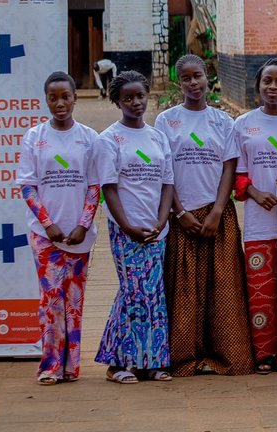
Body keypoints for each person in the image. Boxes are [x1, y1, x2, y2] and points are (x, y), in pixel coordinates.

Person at [156, 54, 253, 376]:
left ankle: (221, 356)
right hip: (181, 214)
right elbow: (164, 171)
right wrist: (180, 211)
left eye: (198, 76)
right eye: (186, 78)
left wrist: (217, 210)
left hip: (218, 215)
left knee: (222, 287)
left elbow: (229, 167)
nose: (194, 83)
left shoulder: (223, 122)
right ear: (178, 82)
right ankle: (185, 357)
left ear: (207, 78)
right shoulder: (166, 121)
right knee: (184, 288)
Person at [17, 71, 100, 385]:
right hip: (45, 237)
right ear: (46, 100)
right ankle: (51, 365)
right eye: (54, 97)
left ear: (75, 98)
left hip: (79, 236)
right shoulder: (34, 137)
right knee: (51, 301)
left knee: (74, 302)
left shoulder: (89, 138)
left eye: (66, 96)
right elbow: (27, 186)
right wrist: (48, 224)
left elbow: (95, 187)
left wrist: (82, 225)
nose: (60, 103)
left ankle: (71, 367)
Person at [94, 70, 174, 384]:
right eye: (128, 98)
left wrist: (162, 219)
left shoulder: (157, 137)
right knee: (134, 292)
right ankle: (120, 364)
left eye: (140, 96)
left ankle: (152, 363)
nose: (136, 103)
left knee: (153, 294)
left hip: (156, 228)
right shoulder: (109, 139)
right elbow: (109, 188)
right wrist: (127, 226)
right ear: (117, 101)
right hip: (125, 228)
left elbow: (167, 183)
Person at [227, 57, 277, 372]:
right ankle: (265, 355)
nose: (273, 87)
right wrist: (256, 194)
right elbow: (235, 175)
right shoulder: (243, 124)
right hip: (259, 224)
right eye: (267, 82)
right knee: (261, 293)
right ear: (257, 86)